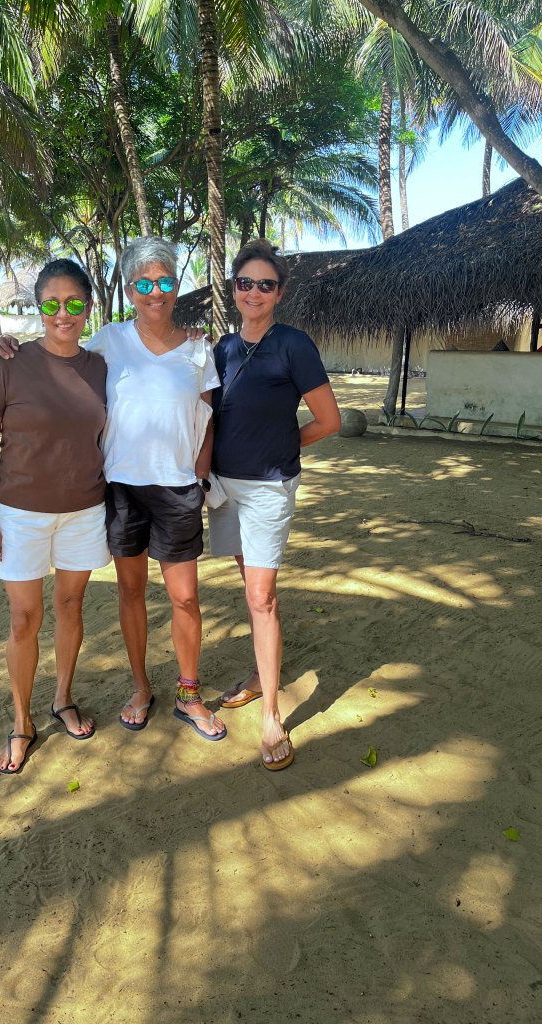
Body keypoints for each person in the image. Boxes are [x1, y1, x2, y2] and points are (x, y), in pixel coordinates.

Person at [0, 237, 226, 740]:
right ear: (130, 290)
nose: (156, 292)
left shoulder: (198, 347)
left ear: (176, 286)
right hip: (119, 489)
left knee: (185, 598)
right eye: (144, 283)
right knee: (130, 592)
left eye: (165, 281)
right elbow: (58, 350)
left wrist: (201, 479)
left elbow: (208, 420)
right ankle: (140, 687)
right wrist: (3, 345)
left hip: (178, 489)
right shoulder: (109, 340)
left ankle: (189, 694)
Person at [208, 238, 341, 771]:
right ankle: (262, 674)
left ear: (280, 293)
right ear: (234, 288)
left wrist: (283, 446)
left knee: (261, 596)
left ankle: (271, 714)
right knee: (253, 588)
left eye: (266, 284)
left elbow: (329, 420)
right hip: (224, 488)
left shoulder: (293, 345)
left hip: (268, 489)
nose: (254, 292)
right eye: (246, 283)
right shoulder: (222, 348)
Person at [0, 259, 110, 774]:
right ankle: (21, 722)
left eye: (74, 303)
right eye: (51, 303)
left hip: (84, 510)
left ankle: (63, 698)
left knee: (71, 607)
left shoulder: (100, 367)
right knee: (23, 619)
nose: (62, 313)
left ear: (89, 307)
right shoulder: (7, 364)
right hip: (20, 514)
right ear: (38, 307)